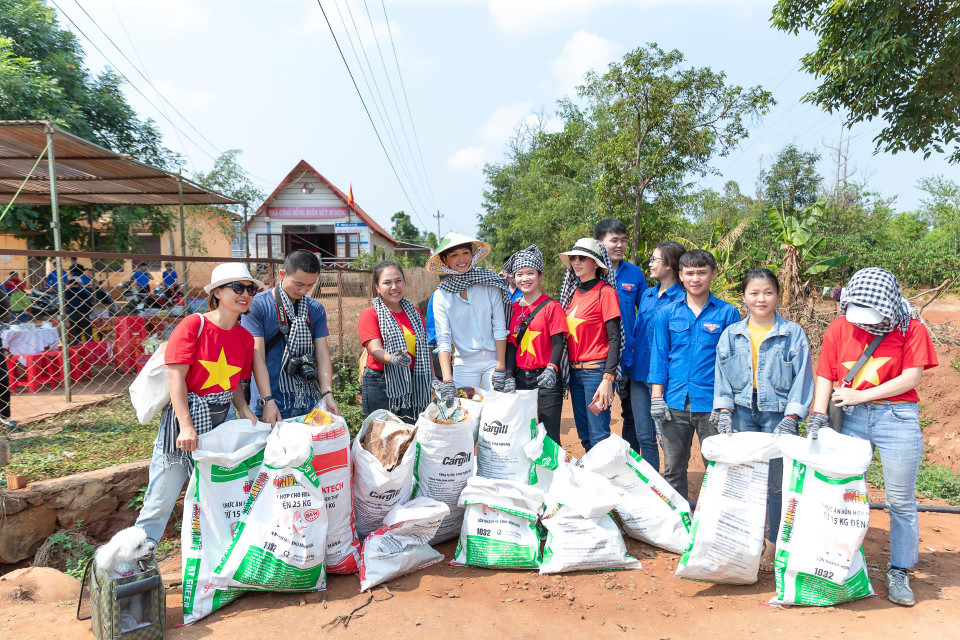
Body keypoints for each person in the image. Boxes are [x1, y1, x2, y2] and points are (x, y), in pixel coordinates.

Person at [806, 267, 938, 607]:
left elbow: (912, 377)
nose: (862, 325)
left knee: (900, 500)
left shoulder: (910, 328)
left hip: (897, 417)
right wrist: (819, 415)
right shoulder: (839, 326)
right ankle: (844, 565)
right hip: (849, 419)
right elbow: (825, 373)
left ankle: (899, 570)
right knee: (843, 494)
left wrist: (860, 395)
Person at [134, 263, 268, 547]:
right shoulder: (194, 325)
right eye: (238, 288)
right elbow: (176, 378)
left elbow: (234, 383)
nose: (246, 294)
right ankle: (132, 569)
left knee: (218, 498)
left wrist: (243, 409)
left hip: (221, 422)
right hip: (186, 421)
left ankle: (212, 564)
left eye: (251, 289)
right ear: (217, 292)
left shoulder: (244, 338)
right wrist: (186, 426)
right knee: (160, 500)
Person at [712, 268, 814, 571]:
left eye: (768, 292)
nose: (761, 299)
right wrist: (724, 411)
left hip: (777, 416)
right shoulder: (731, 333)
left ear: (777, 296)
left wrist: (793, 415)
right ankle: (748, 540)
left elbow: (804, 377)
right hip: (743, 413)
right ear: (743, 297)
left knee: (776, 483)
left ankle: (773, 546)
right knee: (745, 479)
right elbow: (722, 376)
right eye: (754, 293)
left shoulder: (792, 333)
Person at [648, 249, 740, 499]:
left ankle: (713, 523)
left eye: (702, 273)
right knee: (674, 467)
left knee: (718, 467)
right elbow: (659, 356)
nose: (695, 279)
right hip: (674, 402)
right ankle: (679, 523)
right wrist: (657, 398)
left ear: (712, 275)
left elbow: (733, 363)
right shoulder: (666, 313)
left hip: (712, 403)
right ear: (680, 275)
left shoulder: (727, 313)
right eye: (689, 273)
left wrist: (727, 406)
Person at [242, 249, 340, 422]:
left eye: (310, 285)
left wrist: (327, 393)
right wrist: (268, 400)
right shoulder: (258, 305)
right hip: (269, 401)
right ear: (282, 274)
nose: (304, 290)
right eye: (298, 284)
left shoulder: (315, 309)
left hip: (307, 402)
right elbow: (256, 355)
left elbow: (323, 354)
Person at [427, 233, 511, 402]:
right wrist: (447, 380)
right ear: (445, 260)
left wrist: (501, 367)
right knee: (462, 414)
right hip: (464, 362)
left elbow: (500, 328)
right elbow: (443, 340)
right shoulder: (440, 296)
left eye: (465, 252)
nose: (461, 259)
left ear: (472, 254)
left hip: (493, 359)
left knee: (497, 410)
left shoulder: (490, 284)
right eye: (454, 255)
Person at [559, 237, 623, 452]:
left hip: (596, 375)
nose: (576, 262)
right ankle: (592, 484)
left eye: (583, 258)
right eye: (574, 258)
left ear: (596, 263)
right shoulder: (572, 294)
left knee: (599, 436)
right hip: (575, 377)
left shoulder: (606, 293)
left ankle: (606, 484)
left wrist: (608, 379)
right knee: (585, 435)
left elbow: (615, 338)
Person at [629, 241, 686, 471]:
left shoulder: (682, 299)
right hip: (639, 373)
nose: (650, 264)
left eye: (655, 259)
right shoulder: (647, 295)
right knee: (644, 435)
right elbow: (637, 333)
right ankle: (653, 485)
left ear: (670, 265)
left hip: (666, 379)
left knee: (667, 437)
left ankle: (672, 484)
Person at [503, 245, 567, 442]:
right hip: (521, 380)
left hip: (546, 380)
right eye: (520, 274)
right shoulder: (511, 309)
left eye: (530, 273)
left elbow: (559, 343)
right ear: (514, 278)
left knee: (550, 435)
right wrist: (509, 376)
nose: (525, 279)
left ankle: (552, 472)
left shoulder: (552, 307)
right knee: (522, 435)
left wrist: (552, 368)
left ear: (539, 275)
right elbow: (512, 347)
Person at [595, 218, 646, 454]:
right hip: (596, 359)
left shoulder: (634, 274)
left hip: (628, 358)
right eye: (613, 240)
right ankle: (600, 467)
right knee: (597, 413)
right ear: (599, 242)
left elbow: (646, 313)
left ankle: (630, 462)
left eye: (623, 240)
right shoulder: (588, 273)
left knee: (632, 414)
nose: (620, 245)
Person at [358, 261, 432, 420]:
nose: (394, 287)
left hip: (413, 381)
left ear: (404, 283)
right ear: (377, 287)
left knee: (409, 434)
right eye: (387, 282)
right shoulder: (370, 314)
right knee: (382, 435)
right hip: (380, 383)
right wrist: (392, 359)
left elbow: (424, 351)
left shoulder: (414, 312)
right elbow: (375, 349)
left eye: (398, 281)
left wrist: (433, 378)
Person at [64, 277, 94, 343]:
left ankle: (77, 349)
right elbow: (89, 303)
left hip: (72, 314)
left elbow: (64, 303)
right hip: (83, 314)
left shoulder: (67, 292)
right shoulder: (82, 292)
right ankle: (90, 347)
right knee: (88, 334)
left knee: (76, 335)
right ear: (79, 284)